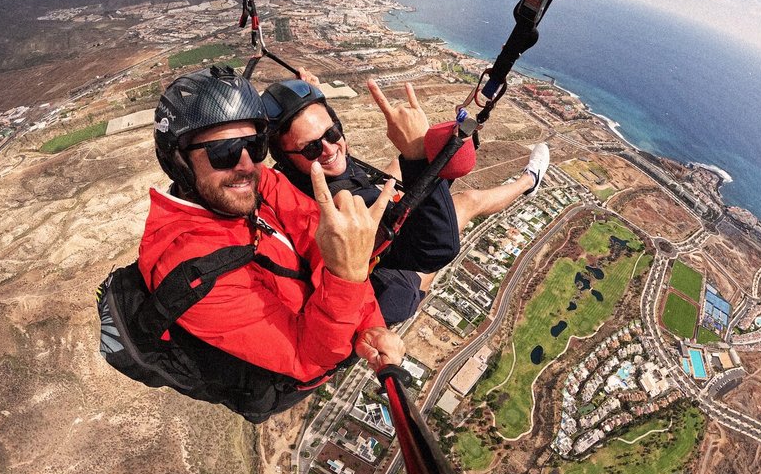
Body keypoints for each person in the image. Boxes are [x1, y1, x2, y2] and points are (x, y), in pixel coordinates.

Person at [138, 65, 405, 422]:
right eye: (224, 151)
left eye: (254, 145)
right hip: (299, 367)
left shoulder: (257, 182)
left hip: (334, 319)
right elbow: (307, 359)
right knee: (413, 281)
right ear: (179, 161)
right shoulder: (190, 272)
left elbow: (319, 239)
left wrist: (370, 326)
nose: (247, 165)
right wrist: (347, 275)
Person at [262, 77, 550, 319]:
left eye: (332, 132)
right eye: (312, 148)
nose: (329, 148)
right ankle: (529, 180)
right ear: (286, 159)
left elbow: (315, 136)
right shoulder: (341, 203)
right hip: (394, 286)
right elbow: (437, 249)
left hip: (377, 250)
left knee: (392, 173)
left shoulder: (298, 172)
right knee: (466, 201)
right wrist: (417, 155)